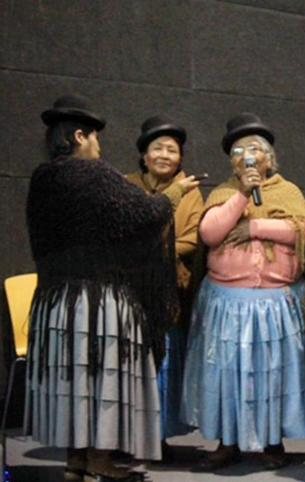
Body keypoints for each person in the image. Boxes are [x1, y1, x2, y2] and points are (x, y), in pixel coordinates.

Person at [24, 94, 180, 481]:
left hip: (56, 301)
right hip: (98, 299)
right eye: (96, 139)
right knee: (102, 378)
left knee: (74, 382)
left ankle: (76, 461)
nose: (99, 147)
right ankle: (100, 459)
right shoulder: (93, 175)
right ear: (80, 136)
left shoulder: (42, 178)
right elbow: (141, 214)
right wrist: (171, 197)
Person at [181, 112, 305, 472]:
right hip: (229, 304)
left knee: (273, 372)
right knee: (228, 373)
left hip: (277, 302)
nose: (246, 156)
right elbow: (211, 234)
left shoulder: (288, 191)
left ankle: (272, 440)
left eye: (253, 149)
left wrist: (255, 227)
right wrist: (242, 196)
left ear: (269, 157)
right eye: (238, 151)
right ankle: (226, 442)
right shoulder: (223, 192)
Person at [126, 116, 204, 459]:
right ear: (144, 155)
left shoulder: (192, 192)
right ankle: (126, 436)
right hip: (129, 295)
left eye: (172, 150)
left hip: (171, 293)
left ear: (181, 158)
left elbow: (194, 237)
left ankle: (158, 437)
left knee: (165, 366)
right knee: (131, 365)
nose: (164, 155)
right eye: (157, 148)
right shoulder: (125, 186)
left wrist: (155, 250)